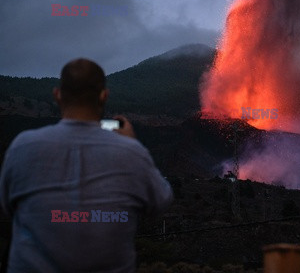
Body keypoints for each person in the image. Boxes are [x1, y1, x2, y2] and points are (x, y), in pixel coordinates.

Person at [0, 59, 173, 272]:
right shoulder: (131, 152)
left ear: (57, 95)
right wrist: (131, 144)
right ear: (104, 96)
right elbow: (161, 201)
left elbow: (7, 206)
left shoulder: (22, 146)